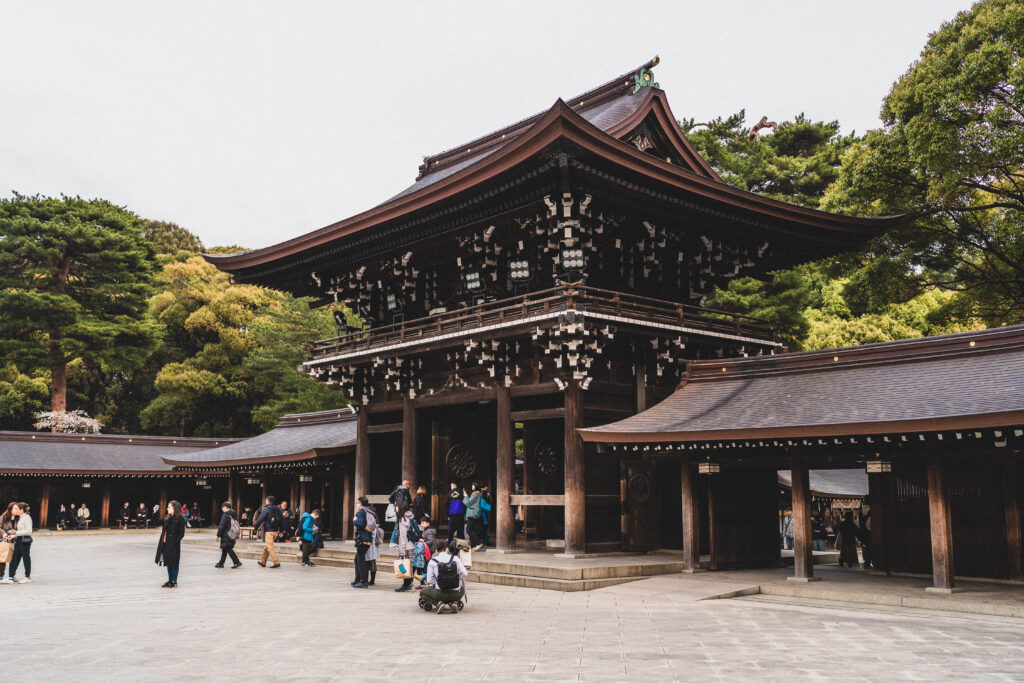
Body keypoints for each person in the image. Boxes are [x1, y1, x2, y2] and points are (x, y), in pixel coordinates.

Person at [423, 540, 468, 611]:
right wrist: (456, 578)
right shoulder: (455, 558)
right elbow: (465, 573)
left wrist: (438, 582)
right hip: (455, 593)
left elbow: (429, 580)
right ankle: (454, 602)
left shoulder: (433, 561)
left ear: (437, 550)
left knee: (423, 592)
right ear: (446, 549)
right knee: (461, 589)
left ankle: (439, 603)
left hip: (440, 593)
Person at [155, 500, 186, 587]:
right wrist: (155, 513)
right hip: (165, 543)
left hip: (174, 544)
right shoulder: (167, 517)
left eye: (169, 507)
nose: (167, 508)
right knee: (168, 562)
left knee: (174, 563)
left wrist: (175, 542)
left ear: (174, 508)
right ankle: (170, 580)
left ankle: (174, 581)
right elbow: (157, 522)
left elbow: (181, 534)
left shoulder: (180, 519)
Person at [390, 506, 419, 592]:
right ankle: (408, 583)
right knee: (408, 564)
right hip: (411, 544)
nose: (396, 508)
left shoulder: (402, 519)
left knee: (404, 564)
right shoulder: (410, 516)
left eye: (397, 506)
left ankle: (407, 584)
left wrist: (401, 548)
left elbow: (403, 535)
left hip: (405, 545)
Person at [3, 502, 33, 583]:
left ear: (22, 510)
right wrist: (12, 536)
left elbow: (29, 531)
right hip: (19, 540)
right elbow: (19, 531)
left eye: (17, 509)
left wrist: (15, 533)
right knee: (14, 559)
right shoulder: (20, 517)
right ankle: (10, 577)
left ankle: (27, 577)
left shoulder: (27, 518)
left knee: (26, 558)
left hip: (25, 541)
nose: (15, 510)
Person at [253, 496, 282, 568]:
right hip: (275, 531)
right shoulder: (278, 509)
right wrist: (280, 530)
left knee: (270, 547)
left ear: (268, 501)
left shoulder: (266, 509)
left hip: (269, 531)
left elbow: (260, 519)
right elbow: (282, 520)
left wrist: (255, 528)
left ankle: (276, 562)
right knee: (267, 547)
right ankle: (263, 562)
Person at [352, 496, 373, 588]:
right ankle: (358, 579)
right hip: (367, 538)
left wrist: (354, 521)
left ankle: (363, 581)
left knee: (361, 560)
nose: (356, 504)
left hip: (362, 538)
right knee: (357, 559)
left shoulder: (361, 512)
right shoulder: (368, 511)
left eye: (357, 503)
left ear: (360, 504)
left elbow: (360, 524)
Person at [215, 501, 242, 569]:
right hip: (232, 533)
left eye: (222, 508)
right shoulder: (233, 514)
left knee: (228, 548)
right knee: (225, 548)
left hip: (226, 534)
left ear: (224, 507)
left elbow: (222, 526)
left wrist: (218, 535)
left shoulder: (225, 515)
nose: (222, 509)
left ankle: (236, 562)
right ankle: (221, 563)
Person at [463, 482, 484, 551]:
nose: (471, 486)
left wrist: (466, 496)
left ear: (475, 486)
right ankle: (473, 546)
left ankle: (478, 543)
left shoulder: (475, 494)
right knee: (472, 529)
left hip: (472, 513)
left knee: (468, 529)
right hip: (474, 513)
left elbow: (468, 503)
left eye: (473, 485)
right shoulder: (477, 494)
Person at [0, 502, 16, 579]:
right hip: (5, 541)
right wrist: (3, 533)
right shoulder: (3, 517)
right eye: (15, 508)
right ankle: (0, 575)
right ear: (10, 509)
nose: (16, 510)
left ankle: (11, 575)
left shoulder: (19, 518)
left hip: (14, 541)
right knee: (2, 558)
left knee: (14, 559)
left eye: (17, 508)